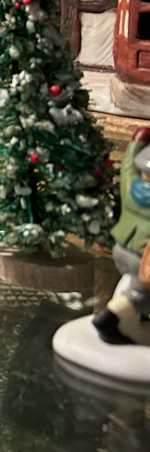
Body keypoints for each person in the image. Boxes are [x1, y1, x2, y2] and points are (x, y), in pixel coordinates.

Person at [94, 128, 150, 345]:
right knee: (141, 296)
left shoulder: (131, 184)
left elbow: (127, 166)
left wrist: (137, 141)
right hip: (142, 258)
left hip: (121, 249)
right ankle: (106, 320)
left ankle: (140, 316)